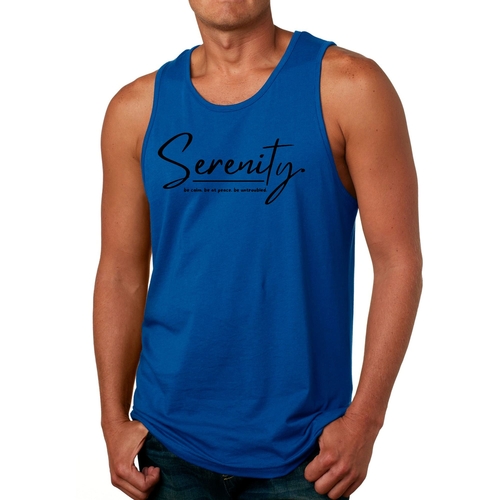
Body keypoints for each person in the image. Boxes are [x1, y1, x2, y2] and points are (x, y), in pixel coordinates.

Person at [93, 1, 422, 499]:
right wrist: (112, 420)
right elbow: (121, 273)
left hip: (306, 448)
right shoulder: (136, 110)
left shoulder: (349, 87)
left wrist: (366, 420)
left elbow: (399, 262)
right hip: (168, 443)